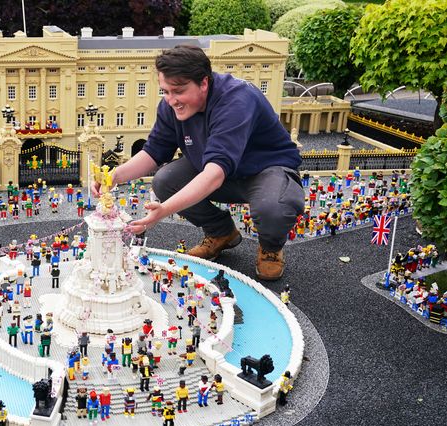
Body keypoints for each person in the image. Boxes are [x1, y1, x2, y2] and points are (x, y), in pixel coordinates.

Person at [93, 45, 303, 281]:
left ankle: (270, 247)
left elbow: (214, 174)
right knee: (165, 181)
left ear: (204, 83)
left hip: (264, 170)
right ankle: (221, 233)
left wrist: (163, 211)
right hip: (217, 170)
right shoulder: (170, 106)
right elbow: (153, 152)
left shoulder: (236, 100)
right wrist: (113, 177)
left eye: (178, 91)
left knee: (272, 207)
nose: (171, 100)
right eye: (164, 91)